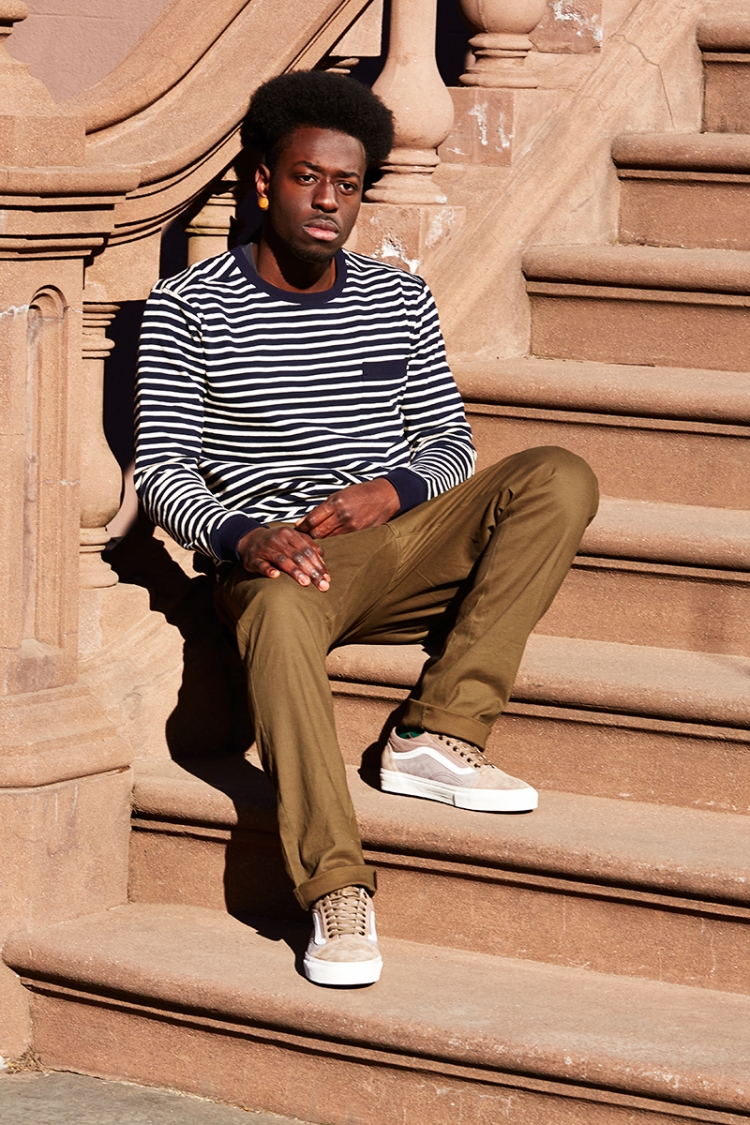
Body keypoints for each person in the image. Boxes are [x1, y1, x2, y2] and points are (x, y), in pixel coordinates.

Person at [134, 70, 599, 989]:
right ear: (263, 181)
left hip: (397, 543)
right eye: (308, 177)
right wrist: (240, 535)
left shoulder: (398, 298)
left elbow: (451, 443)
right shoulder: (189, 305)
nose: (328, 201)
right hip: (280, 563)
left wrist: (392, 489)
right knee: (274, 615)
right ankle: (336, 887)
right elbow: (162, 469)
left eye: (346, 185)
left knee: (558, 475)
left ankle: (438, 732)